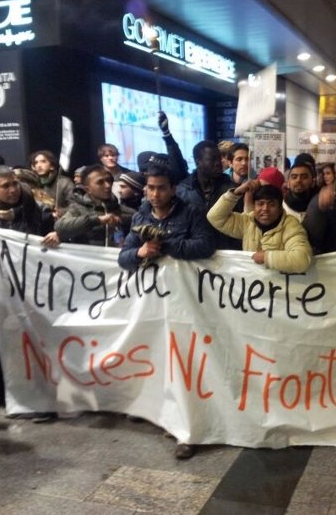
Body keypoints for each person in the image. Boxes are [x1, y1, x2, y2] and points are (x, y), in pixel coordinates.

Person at [119, 163, 214, 460]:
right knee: (157, 358)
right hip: (154, 304)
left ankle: (186, 428)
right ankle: (154, 409)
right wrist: (140, 252)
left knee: (185, 365)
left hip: (187, 305)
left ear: (173, 189)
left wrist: (168, 246)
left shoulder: (191, 212)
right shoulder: (140, 216)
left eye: (161, 188)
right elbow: (124, 258)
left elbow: (206, 246)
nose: (154, 193)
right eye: (150, 188)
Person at [0, 167, 59, 408]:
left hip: (33, 289)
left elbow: (53, 242)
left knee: (35, 337)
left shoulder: (37, 213)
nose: (12, 190)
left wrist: (55, 236)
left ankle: (42, 389)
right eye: (5, 186)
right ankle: (1, 390)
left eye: (14, 184)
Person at [207, 179, 312, 273]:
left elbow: (302, 259)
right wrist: (236, 192)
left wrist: (267, 257)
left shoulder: (291, 225)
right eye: (260, 204)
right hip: (252, 288)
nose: (265, 208)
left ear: (280, 207)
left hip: (278, 290)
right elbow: (214, 217)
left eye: (271, 204)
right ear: (254, 205)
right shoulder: (247, 221)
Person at [176, 140, 240, 249]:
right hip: (195, 251)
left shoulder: (231, 190)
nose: (218, 163)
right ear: (198, 162)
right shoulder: (183, 190)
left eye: (219, 158)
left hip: (226, 253)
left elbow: (239, 223)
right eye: (212, 159)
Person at [55, 164, 134, 246]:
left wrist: (122, 220)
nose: (108, 185)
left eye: (109, 180)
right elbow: (60, 227)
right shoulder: (77, 209)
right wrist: (97, 220)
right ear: (87, 189)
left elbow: (138, 219)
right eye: (100, 182)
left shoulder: (119, 209)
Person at [29, 149, 74, 216]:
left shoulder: (64, 183)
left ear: (52, 166)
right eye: (36, 162)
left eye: (43, 161)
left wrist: (61, 212)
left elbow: (75, 206)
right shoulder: (32, 184)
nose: (39, 165)